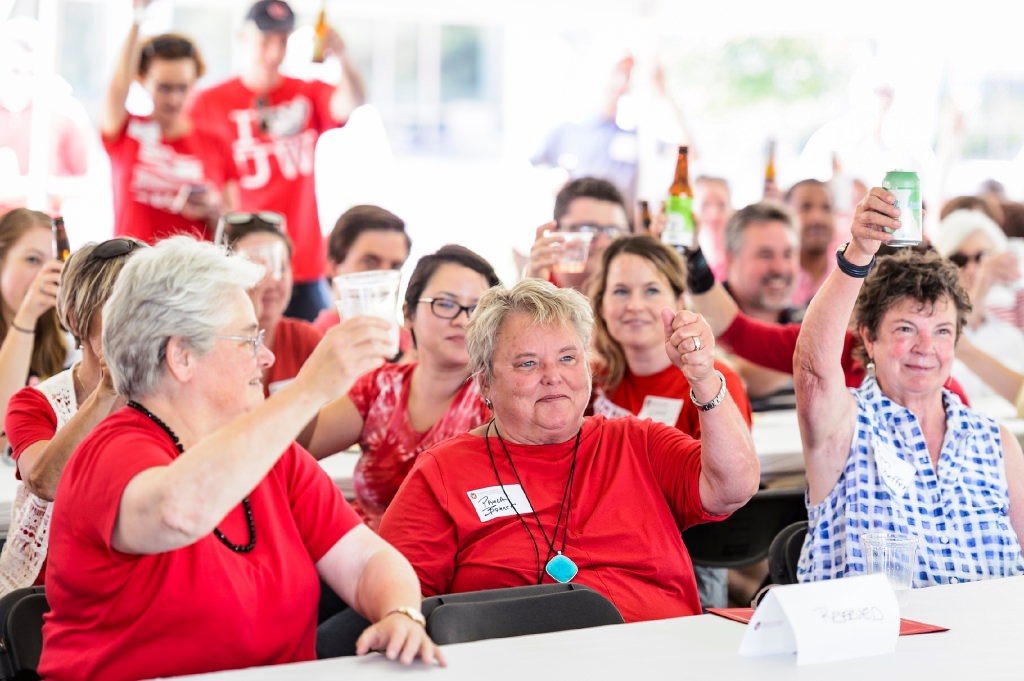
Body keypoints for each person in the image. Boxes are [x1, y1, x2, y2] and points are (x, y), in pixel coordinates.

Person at [39, 236, 444, 681]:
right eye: (248, 341)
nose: (266, 357)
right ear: (182, 356)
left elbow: (368, 561)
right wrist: (310, 390)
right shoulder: (111, 451)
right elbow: (175, 512)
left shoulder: (276, 458)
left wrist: (401, 613)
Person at [378, 278, 759, 623]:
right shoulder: (444, 472)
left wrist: (704, 377)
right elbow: (393, 596)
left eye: (567, 357)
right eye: (528, 363)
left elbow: (733, 488)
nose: (553, 375)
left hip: (660, 658)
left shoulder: (637, 443)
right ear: (485, 383)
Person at [793, 187, 1024, 586]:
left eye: (941, 331)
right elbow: (813, 370)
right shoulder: (845, 428)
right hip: (871, 643)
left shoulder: (995, 442)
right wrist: (859, 254)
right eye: (905, 329)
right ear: (869, 338)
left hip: (989, 645)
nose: (925, 347)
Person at [587, 234, 753, 609]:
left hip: (688, 558)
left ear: (679, 302)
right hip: (598, 553)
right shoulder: (588, 381)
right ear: (600, 304)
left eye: (650, 290)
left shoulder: (713, 381)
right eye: (620, 291)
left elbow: (724, 493)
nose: (634, 305)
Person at [188, 0, 367, 322]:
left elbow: (351, 102)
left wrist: (341, 56)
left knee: (308, 351)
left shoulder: (305, 93)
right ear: (243, 37)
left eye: (283, 41)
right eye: (265, 41)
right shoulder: (208, 102)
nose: (274, 52)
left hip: (302, 261)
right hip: (241, 260)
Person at [300, 244, 500, 530]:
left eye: (478, 309)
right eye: (445, 303)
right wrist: (315, 383)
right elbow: (293, 449)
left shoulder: (499, 399)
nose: (462, 320)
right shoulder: (381, 387)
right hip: (359, 553)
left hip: (453, 561)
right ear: (408, 314)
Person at [0, 237, 142, 594]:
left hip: (131, 588)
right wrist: (106, 392)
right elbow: (45, 482)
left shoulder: (170, 398)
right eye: (122, 309)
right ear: (78, 317)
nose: (139, 324)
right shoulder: (35, 404)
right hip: (42, 596)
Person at [101, 1, 233, 243]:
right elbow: (118, 85)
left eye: (183, 88)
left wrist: (213, 210)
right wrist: (137, 18)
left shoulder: (216, 141)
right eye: (164, 87)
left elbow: (233, 234)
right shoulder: (126, 131)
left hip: (192, 275)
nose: (174, 99)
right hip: (132, 272)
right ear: (142, 80)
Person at [217, 211, 323, 396]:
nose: (269, 282)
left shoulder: (305, 340)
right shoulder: (213, 345)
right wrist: (248, 319)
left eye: (278, 268)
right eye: (253, 270)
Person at [0, 17, 93, 216]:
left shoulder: (64, 112)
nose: (23, 80)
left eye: (32, 72)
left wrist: (43, 187)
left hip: (42, 228)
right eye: (14, 71)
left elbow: (86, 183)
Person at [931, 209, 1024, 406]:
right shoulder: (930, 328)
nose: (973, 269)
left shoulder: (1011, 332)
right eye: (959, 259)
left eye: (982, 257)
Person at [0, 208, 67, 455]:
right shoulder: (29, 321)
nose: (44, 274)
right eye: (32, 260)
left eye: (53, 263)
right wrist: (26, 316)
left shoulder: (64, 340)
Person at [313, 204, 411, 337]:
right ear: (334, 266)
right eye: (370, 262)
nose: (384, 278)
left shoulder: (412, 345)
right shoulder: (310, 348)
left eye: (395, 266)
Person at [522, 176, 631, 292]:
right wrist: (533, 294)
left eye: (613, 232)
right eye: (588, 230)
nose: (603, 243)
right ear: (555, 233)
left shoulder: (637, 297)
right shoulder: (540, 287)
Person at [786, 179, 840, 307]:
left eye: (826, 208)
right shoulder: (772, 278)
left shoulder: (850, 278)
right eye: (806, 207)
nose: (817, 218)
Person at [694, 175, 733, 281]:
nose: (714, 215)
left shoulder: (740, 252)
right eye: (705, 205)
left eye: (721, 205)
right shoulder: (687, 253)